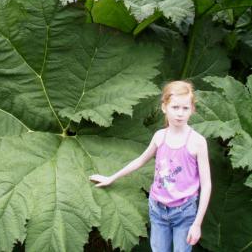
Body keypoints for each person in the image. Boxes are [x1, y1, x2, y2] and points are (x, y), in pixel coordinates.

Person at [89, 80, 212, 252]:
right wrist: (111, 177)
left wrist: (197, 224)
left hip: (184, 212)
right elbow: (140, 161)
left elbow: (206, 185)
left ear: (192, 109)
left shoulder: (198, 142)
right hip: (157, 209)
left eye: (185, 108)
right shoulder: (159, 137)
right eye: (175, 107)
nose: (180, 113)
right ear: (164, 107)